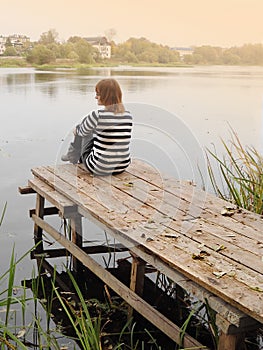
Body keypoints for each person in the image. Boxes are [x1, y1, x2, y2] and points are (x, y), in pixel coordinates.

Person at [61, 78, 133, 176]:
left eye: (98, 94)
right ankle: (72, 155)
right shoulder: (128, 116)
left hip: (99, 168)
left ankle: (72, 155)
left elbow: (82, 132)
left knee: (82, 128)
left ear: (106, 96)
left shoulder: (97, 115)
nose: (96, 97)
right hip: (121, 167)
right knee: (93, 130)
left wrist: (76, 130)